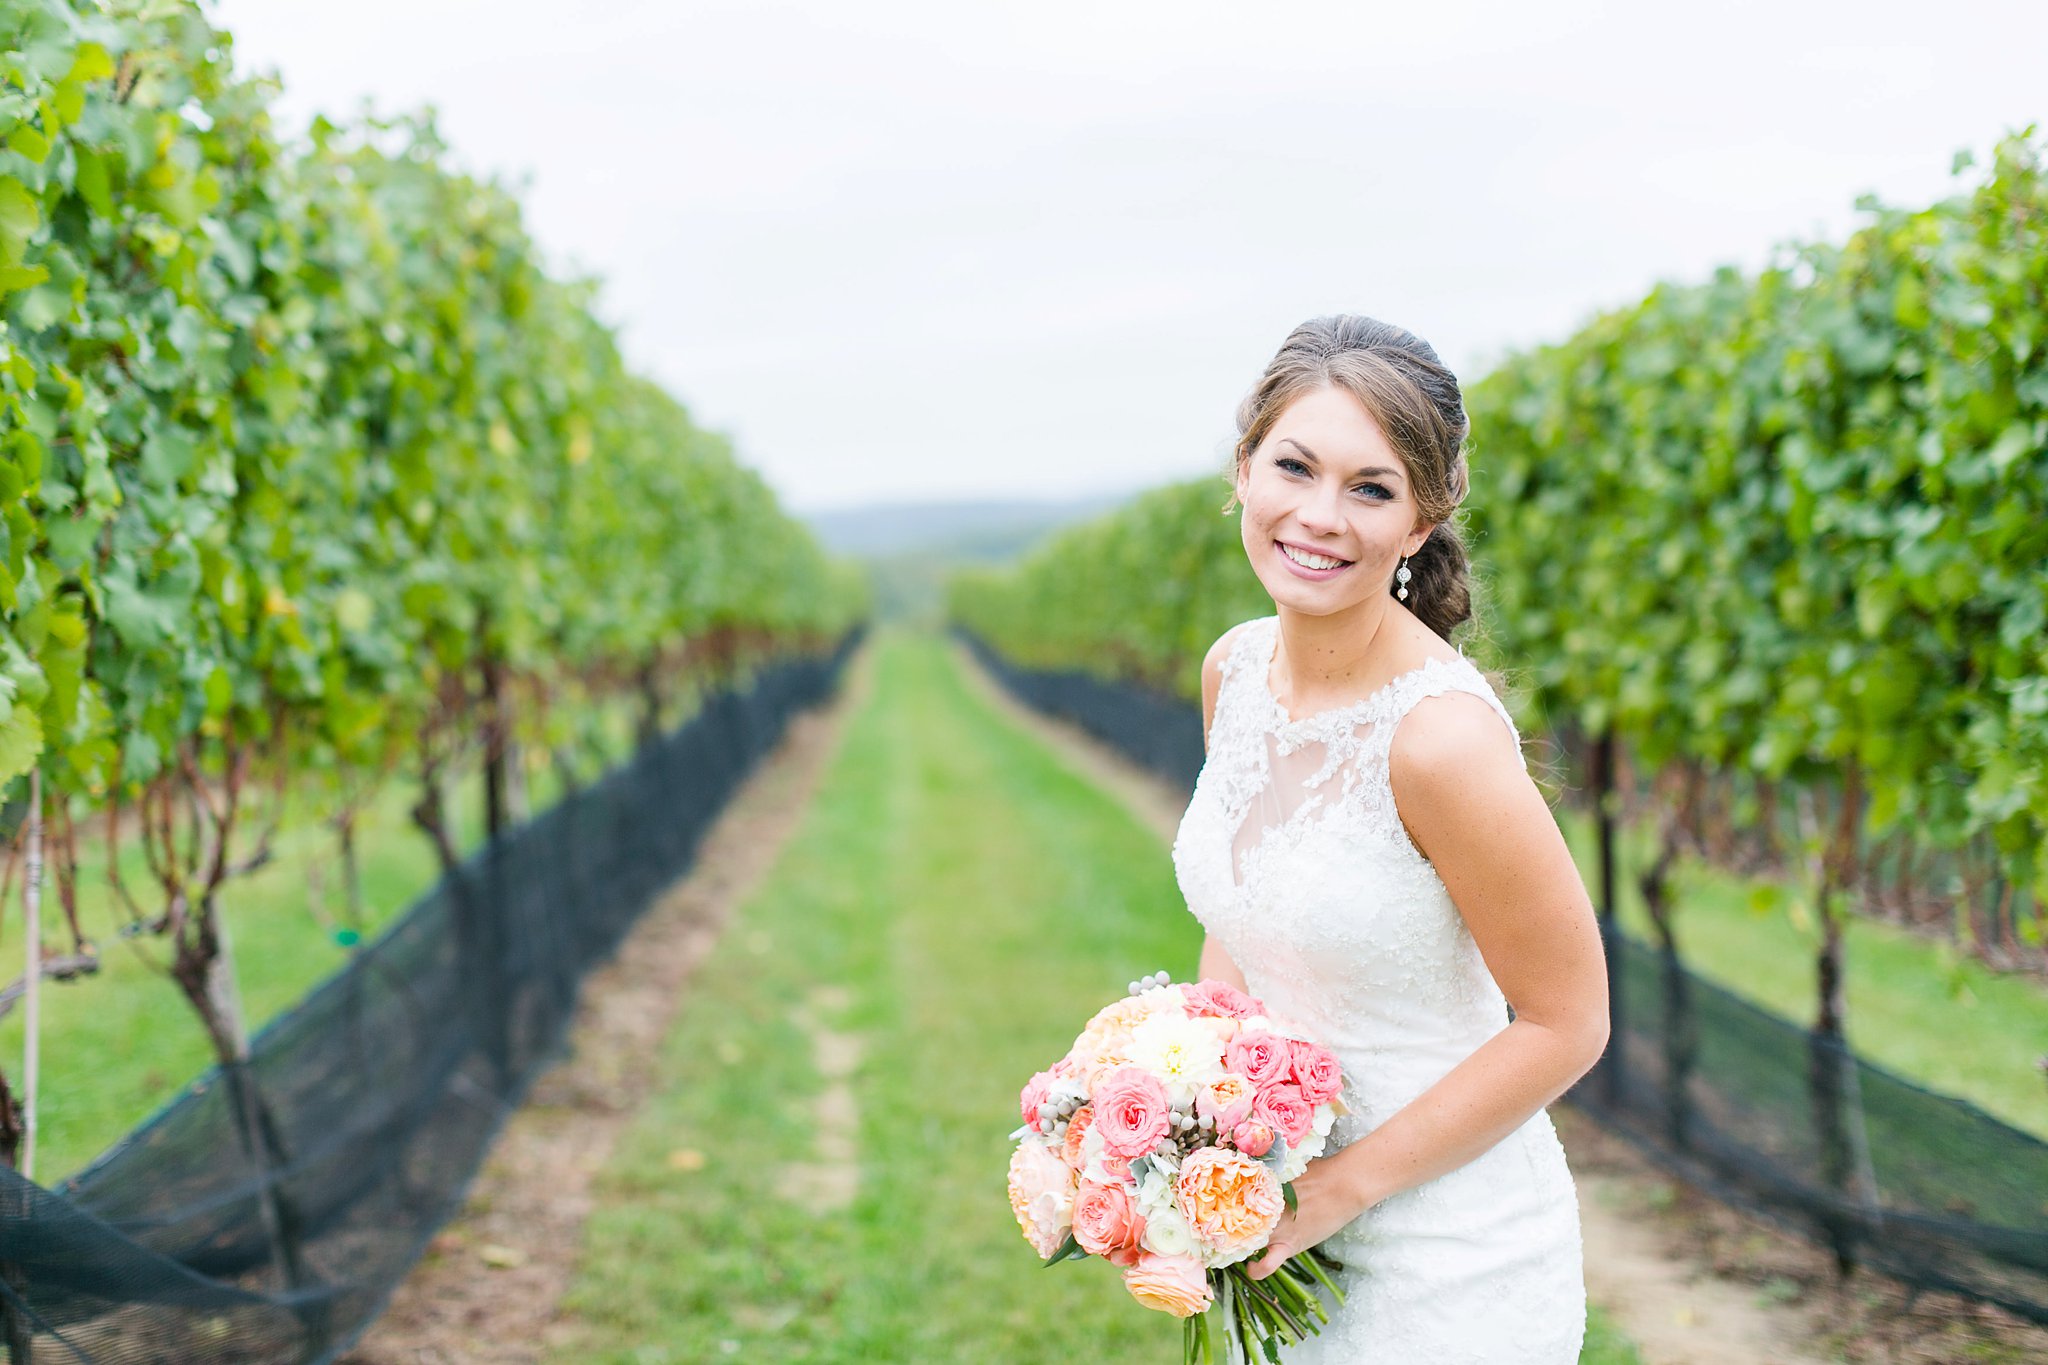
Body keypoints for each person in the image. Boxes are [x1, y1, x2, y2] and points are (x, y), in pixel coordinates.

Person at [1169, 314, 1610, 1361]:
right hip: (1275, 1220)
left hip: (1446, 1261)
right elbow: (1241, 920)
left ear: (1418, 523)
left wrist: (1333, 1192)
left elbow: (1565, 1021)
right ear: (1242, 470)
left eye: (1369, 488)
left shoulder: (1438, 740)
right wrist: (1189, 1118)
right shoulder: (1230, 674)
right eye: (1295, 467)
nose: (1319, 516)